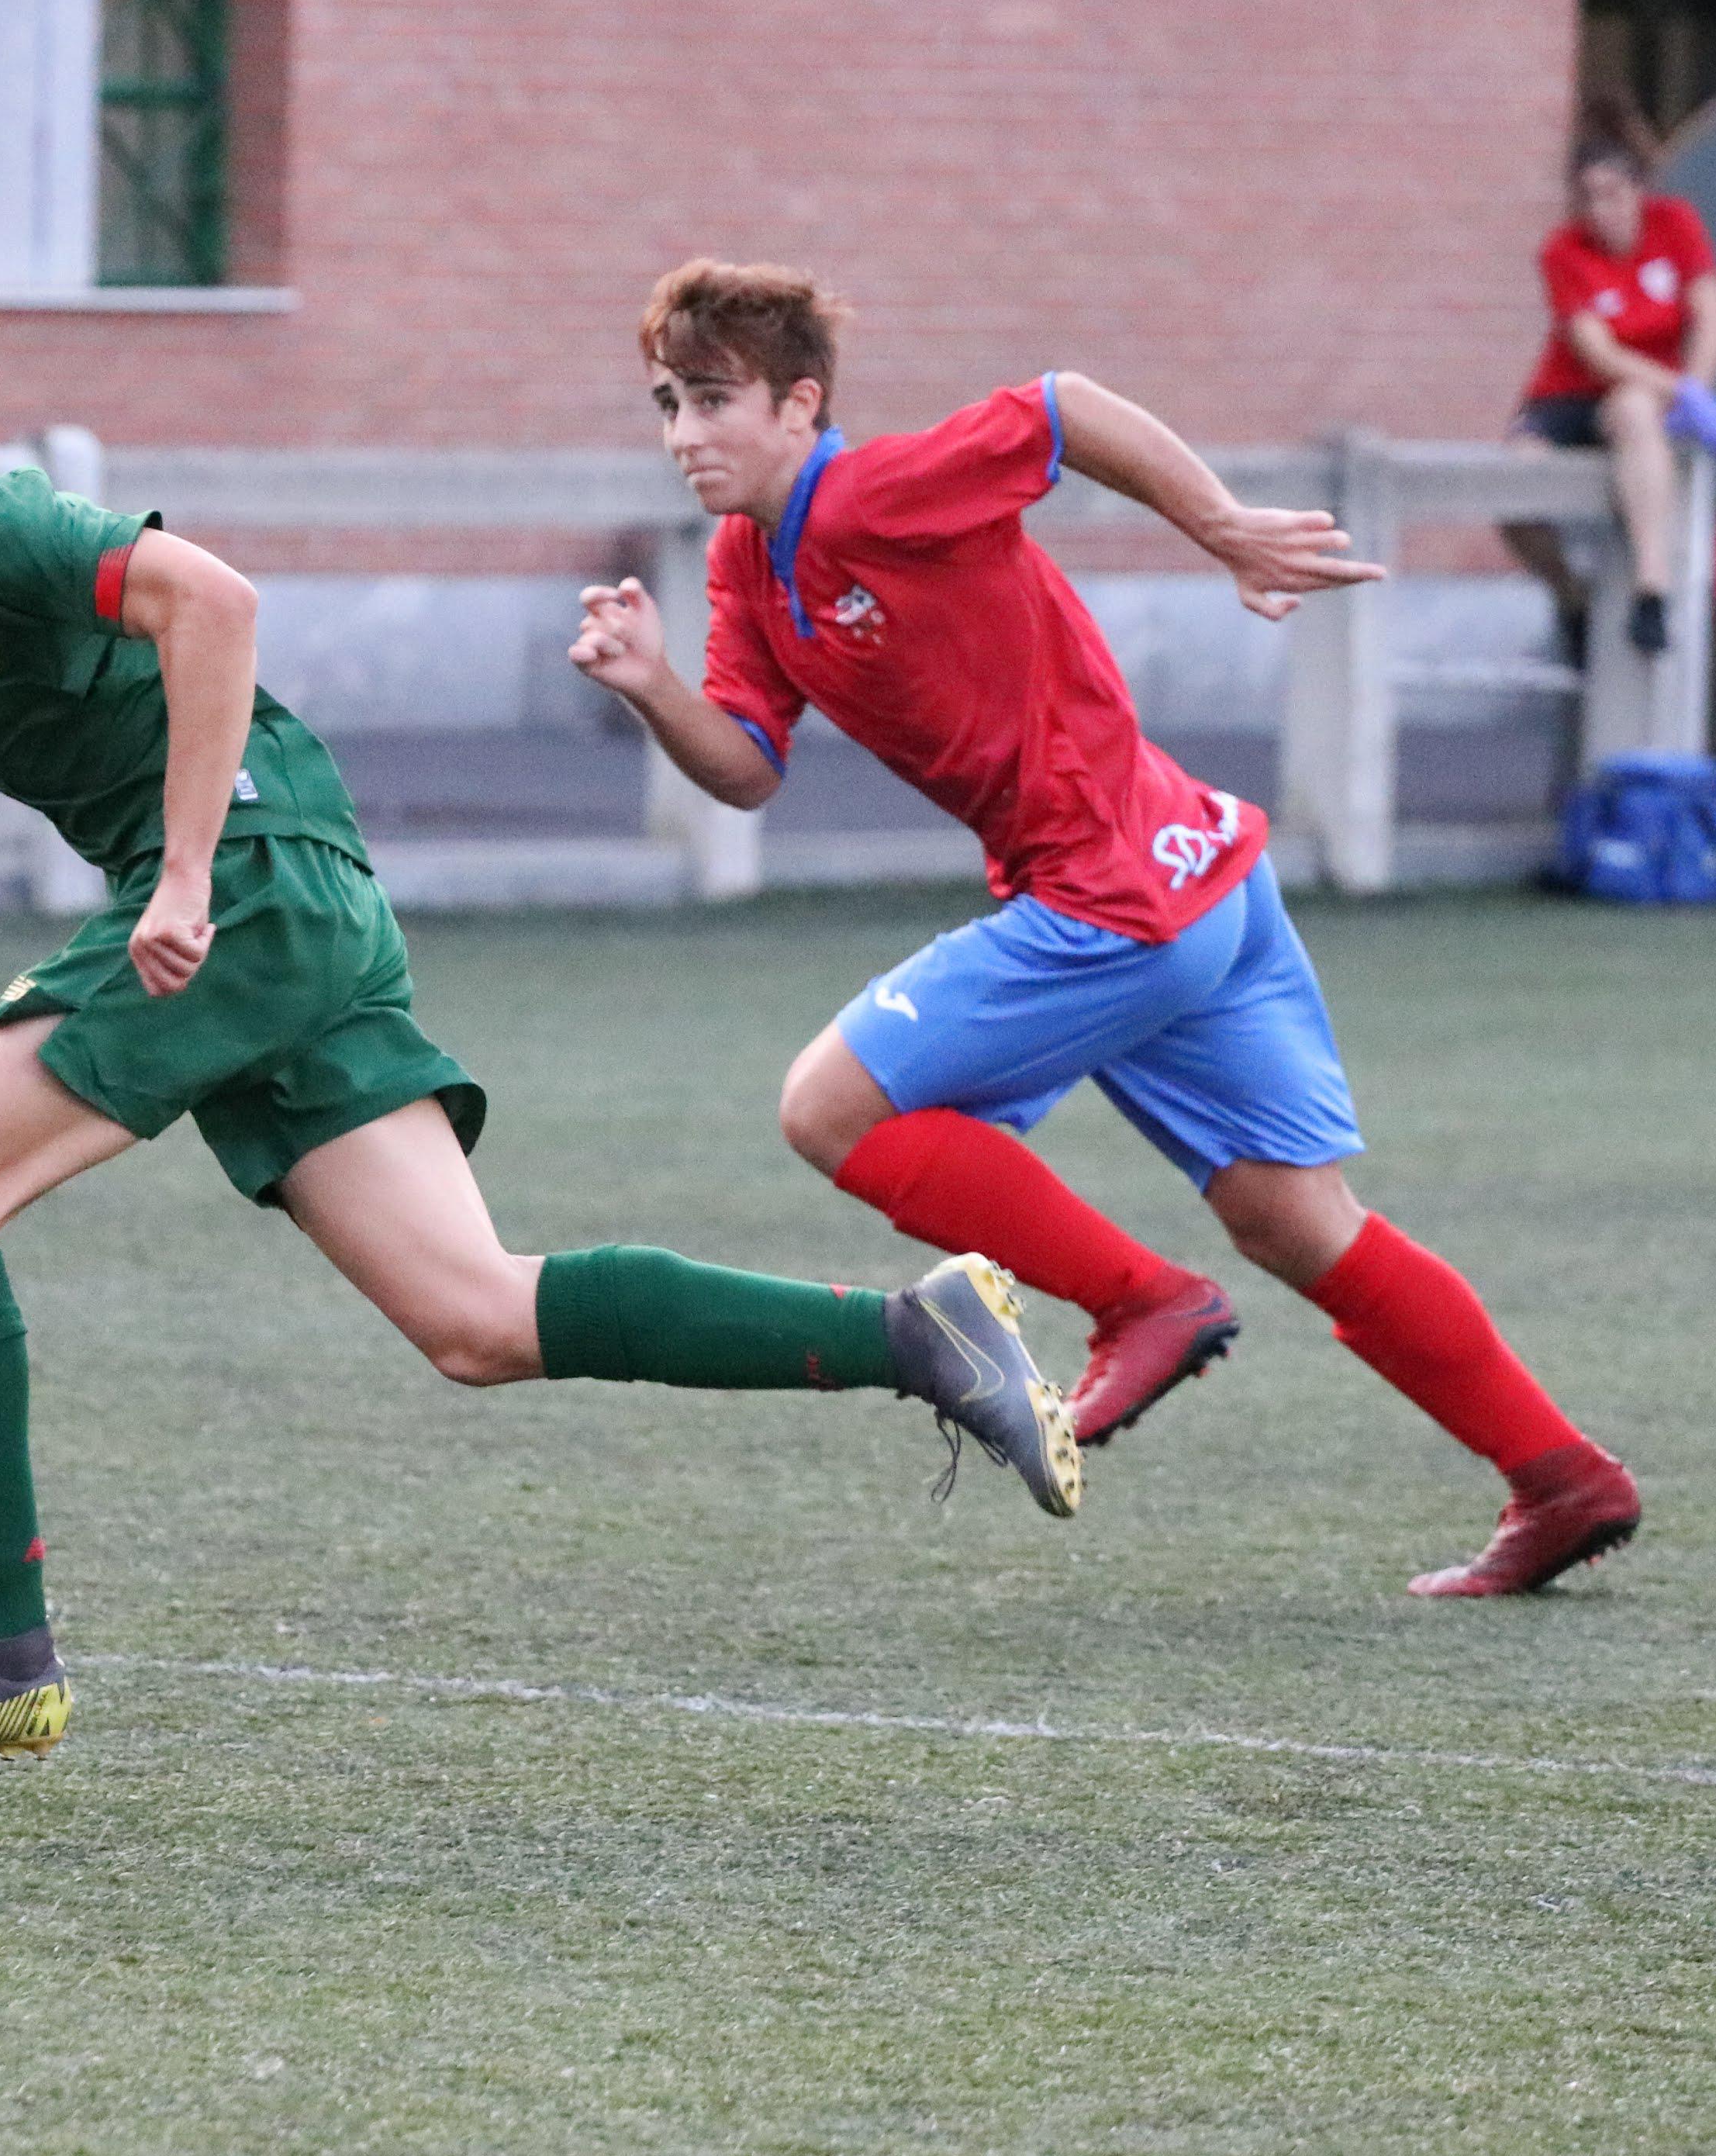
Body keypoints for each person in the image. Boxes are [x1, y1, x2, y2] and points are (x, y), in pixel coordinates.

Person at [0, 277, 1080, 1761]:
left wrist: (187, 867)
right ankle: (915, 1336)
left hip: (247, 886)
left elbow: (211, 600)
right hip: (287, 902)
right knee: (473, 1317)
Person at [572, 259, 1642, 1601]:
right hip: (1196, 874)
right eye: (667, 403)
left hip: (1112, 894)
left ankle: (1140, 1300)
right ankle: (1558, 1477)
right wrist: (650, 686)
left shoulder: (869, 489)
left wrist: (1222, 528)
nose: (683, 434)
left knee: (827, 1109)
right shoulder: (750, 562)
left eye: (713, 400)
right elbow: (742, 764)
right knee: (1296, 1222)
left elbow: (1062, 408)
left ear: (801, 404)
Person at [1504, 95, 1716, 662]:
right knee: (1514, 483)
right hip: (1567, 395)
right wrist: (1678, 387)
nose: (1599, 210)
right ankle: (1568, 593)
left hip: (1640, 396)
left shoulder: (1675, 224)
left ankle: (1650, 586)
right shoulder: (1563, 252)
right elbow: (1596, 353)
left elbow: (1712, 314)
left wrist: (1698, 388)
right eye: (1586, 198)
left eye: (1611, 195)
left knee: (1633, 410)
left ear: (1638, 191)